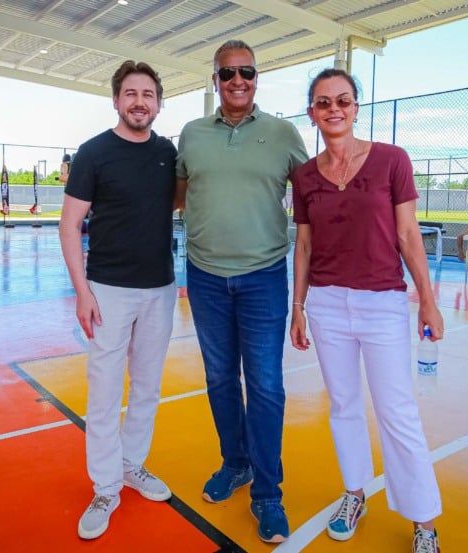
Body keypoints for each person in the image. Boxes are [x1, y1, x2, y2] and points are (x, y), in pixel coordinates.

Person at [289, 68, 443, 553]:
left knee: (397, 411)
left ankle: (423, 522)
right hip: (328, 305)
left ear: (356, 107)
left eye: (343, 100)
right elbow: (305, 244)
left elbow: (407, 235)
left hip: (382, 304)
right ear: (311, 113)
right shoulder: (305, 176)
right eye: (323, 102)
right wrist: (298, 306)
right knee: (343, 407)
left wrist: (428, 301)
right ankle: (354, 494)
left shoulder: (392, 160)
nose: (334, 108)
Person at [175, 39, 308, 544]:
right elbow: (177, 195)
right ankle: (236, 464)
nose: (237, 81)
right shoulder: (192, 134)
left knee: (267, 386)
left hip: (264, 278)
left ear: (257, 78)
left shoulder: (282, 133)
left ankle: (268, 494)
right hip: (205, 277)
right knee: (219, 380)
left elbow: (314, 193)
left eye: (246, 73)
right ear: (214, 80)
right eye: (227, 73)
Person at [58, 60, 177, 541]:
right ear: (116, 100)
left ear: (158, 103)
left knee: (147, 387)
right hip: (107, 289)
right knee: (105, 393)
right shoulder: (94, 153)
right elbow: (69, 225)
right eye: (131, 93)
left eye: (148, 94)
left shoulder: (168, 153)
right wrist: (82, 291)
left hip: (161, 288)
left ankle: (132, 465)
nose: (139, 102)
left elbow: (182, 201)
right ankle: (106, 486)